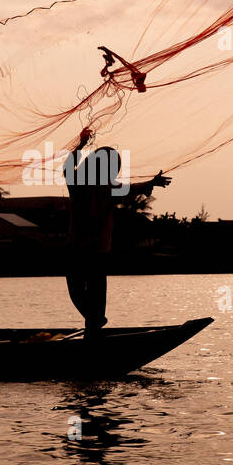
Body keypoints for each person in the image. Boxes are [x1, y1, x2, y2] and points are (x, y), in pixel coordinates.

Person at [63, 131, 170, 335]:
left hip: (82, 249)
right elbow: (133, 188)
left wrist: (81, 144)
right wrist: (151, 184)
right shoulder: (92, 186)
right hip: (90, 250)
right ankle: (94, 325)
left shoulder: (86, 185)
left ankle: (93, 327)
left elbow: (69, 166)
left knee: (81, 293)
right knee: (90, 295)